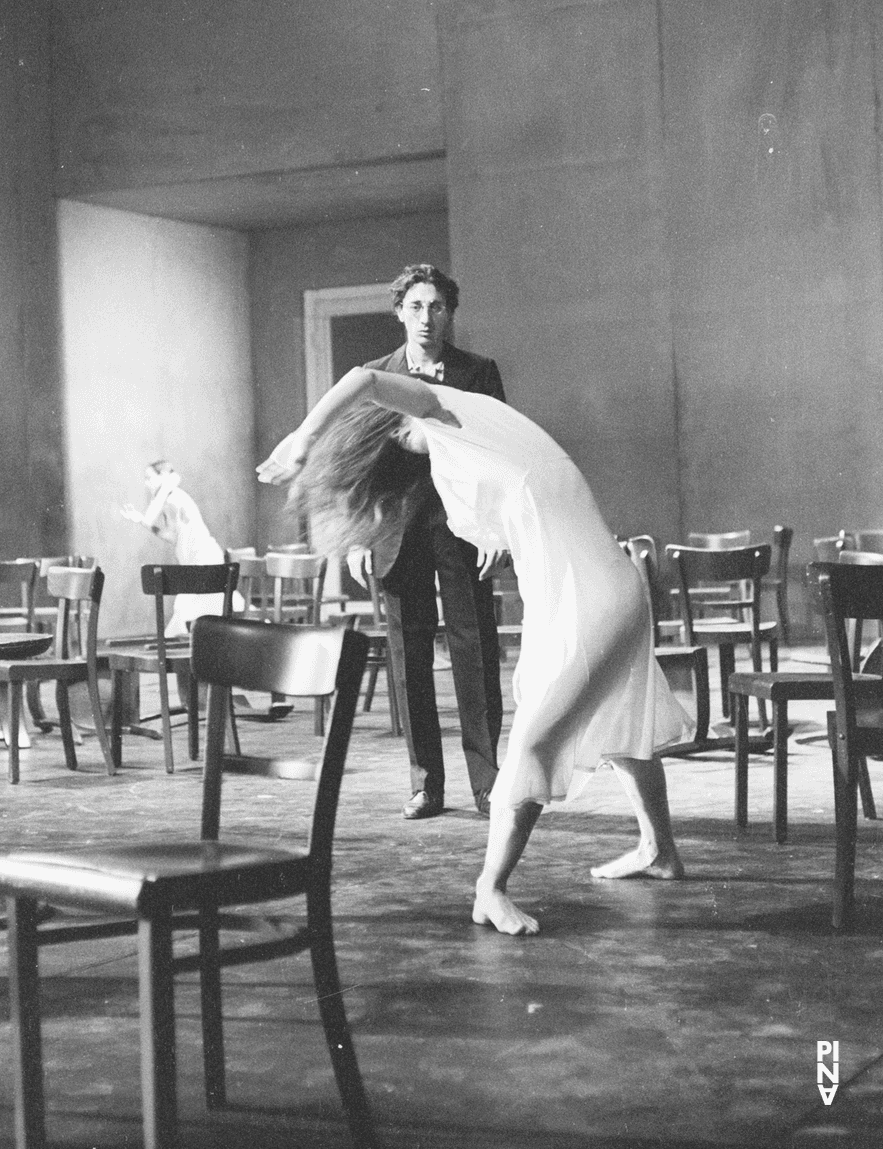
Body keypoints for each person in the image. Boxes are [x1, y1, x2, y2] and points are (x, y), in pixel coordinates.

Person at [257, 367, 688, 935]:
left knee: (535, 743)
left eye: (399, 438)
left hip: (593, 600)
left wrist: (304, 438)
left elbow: (364, 377)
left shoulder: (446, 410)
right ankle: (659, 849)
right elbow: (528, 497)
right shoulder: (476, 443)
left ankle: (491, 888)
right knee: (620, 721)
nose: (409, 448)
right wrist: (500, 539)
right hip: (593, 589)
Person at [357, 263, 506, 821]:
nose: (426, 317)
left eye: (437, 307)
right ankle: (424, 784)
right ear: (399, 312)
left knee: (476, 651)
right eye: (415, 307)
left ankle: (488, 785)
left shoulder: (478, 372)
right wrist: (360, 534)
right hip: (398, 532)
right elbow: (364, 466)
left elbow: (498, 456)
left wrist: (495, 527)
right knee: (409, 658)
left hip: (463, 529)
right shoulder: (376, 375)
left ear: (450, 313)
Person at [121, 460, 237, 634]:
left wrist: (166, 487)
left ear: (164, 476)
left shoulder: (175, 497)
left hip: (206, 559)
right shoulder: (169, 499)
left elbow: (151, 516)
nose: (147, 484)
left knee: (190, 611)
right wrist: (142, 521)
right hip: (194, 562)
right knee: (188, 612)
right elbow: (172, 536)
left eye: (149, 478)